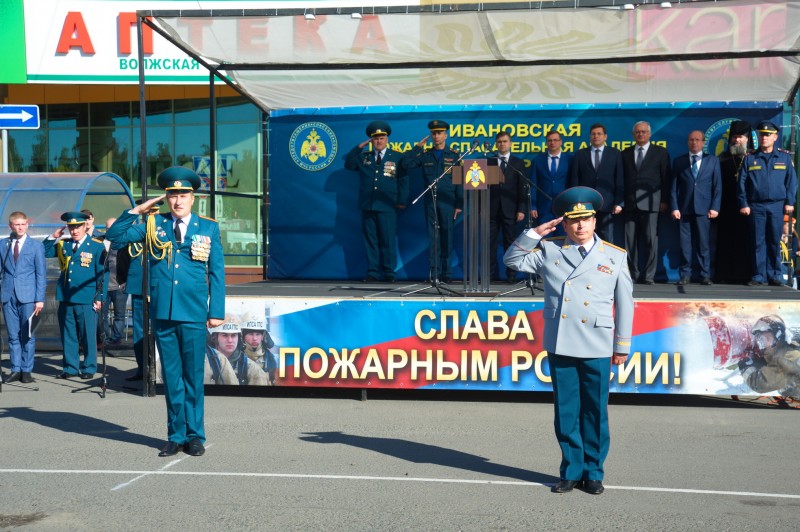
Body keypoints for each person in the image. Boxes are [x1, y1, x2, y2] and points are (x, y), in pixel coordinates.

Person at [504, 186, 634, 495]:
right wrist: (534, 233)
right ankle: (571, 470)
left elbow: (625, 303)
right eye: (573, 221)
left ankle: (594, 471)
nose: (580, 225)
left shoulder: (614, 256)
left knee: (595, 412)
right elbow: (512, 260)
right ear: (564, 224)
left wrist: (622, 345)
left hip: (597, 343)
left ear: (594, 221)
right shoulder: (550, 250)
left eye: (585, 219)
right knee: (566, 410)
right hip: (562, 341)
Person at [105, 167, 225, 458]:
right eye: (172, 195)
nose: (178, 200)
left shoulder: (207, 227)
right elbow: (115, 237)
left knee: (193, 376)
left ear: (193, 198)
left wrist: (216, 310)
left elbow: (216, 271)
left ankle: (195, 435)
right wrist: (138, 210)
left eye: (183, 195)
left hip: (193, 311)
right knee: (171, 377)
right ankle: (175, 435)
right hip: (163, 311)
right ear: (166, 198)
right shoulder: (153, 224)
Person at [43, 212, 107, 379]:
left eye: (77, 227)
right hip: (66, 296)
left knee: (88, 335)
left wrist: (100, 297)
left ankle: (89, 367)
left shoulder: (96, 246)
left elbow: (102, 274)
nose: (74, 231)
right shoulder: (64, 244)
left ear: (85, 226)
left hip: (86, 297)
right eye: (71, 227)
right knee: (68, 334)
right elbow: (44, 252)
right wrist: (52, 237)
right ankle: (70, 367)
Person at [344, 120, 409, 283]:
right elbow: (349, 165)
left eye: (382, 138)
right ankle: (373, 272)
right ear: (371, 140)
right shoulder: (364, 157)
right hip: (368, 204)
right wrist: (358, 147)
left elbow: (403, 180)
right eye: (375, 139)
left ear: (387, 139)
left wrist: (401, 200)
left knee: (388, 240)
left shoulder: (397, 157)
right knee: (370, 240)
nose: (379, 141)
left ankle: (389, 272)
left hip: (388, 205)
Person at [737, 120, 798, 287]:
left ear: (775, 137)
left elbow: (792, 182)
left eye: (768, 135)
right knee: (757, 242)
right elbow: (741, 184)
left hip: (777, 205)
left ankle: (774, 275)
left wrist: (790, 201)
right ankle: (758, 276)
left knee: (774, 241)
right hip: (756, 206)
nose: (764, 138)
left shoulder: (784, 157)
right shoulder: (750, 158)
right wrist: (744, 203)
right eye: (762, 135)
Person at [403, 119, 463, 283]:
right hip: (431, 201)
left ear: (446, 135)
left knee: (447, 236)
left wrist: (459, 204)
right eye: (434, 133)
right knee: (434, 237)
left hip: (448, 202)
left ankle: (447, 273)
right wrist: (417, 148)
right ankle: (435, 273)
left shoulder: (454, 156)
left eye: (439, 133)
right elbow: (405, 163)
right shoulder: (426, 155)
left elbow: (459, 181)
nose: (436, 136)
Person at [115, 200, 163, 381]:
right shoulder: (135, 232)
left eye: (154, 212)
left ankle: (160, 368)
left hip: (160, 287)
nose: (152, 216)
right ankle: (143, 368)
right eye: (148, 212)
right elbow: (122, 257)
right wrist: (122, 280)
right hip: (138, 287)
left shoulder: (164, 232)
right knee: (140, 330)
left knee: (161, 329)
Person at [670, 130, 722, 285]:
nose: (694, 142)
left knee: (703, 243)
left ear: (703, 142)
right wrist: (674, 207)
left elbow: (717, 187)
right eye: (691, 140)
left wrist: (715, 207)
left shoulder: (712, 161)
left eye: (697, 140)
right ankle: (685, 274)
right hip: (684, 209)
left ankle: (705, 274)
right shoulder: (679, 161)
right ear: (688, 142)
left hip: (704, 209)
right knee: (685, 244)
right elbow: (673, 188)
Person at [622, 121, 671, 284]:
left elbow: (666, 179)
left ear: (649, 134)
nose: (640, 134)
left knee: (651, 240)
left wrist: (664, 200)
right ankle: (632, 274)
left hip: (652, 204)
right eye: (637, 132)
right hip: (630, 204)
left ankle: (649, 275)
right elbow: (621, 180)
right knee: (630, 242)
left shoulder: (660, 152)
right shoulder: (625, 153)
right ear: (633, 134)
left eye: (643, 132)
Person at [0, 212, 46, 384]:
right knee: (13, 336)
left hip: (28, 297)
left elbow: (41, 274)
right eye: (17, 225)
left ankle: (26, 370)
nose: (20, 227)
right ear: (10, 226)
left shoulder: (36, 246)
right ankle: (15, 369)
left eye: (23, 224)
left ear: (27, 224)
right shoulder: (3, 244)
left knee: (27, 335)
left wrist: (39, 299)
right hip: (7, 296)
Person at [569, 123, 624, 245]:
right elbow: (575, 179)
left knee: (607, 237)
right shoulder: (580, 154)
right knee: (586, 236)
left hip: (608, 203)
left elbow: (619, 179)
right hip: (585, 204)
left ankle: (606, 258)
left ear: (605, 136)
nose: (596, 136)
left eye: (599, 134)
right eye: (593, 134)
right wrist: (576, 201)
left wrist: (618, 202)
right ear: (590, 137)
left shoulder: (615, 153)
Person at [714, 120, 754, 284]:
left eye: (741, 137)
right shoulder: (722, 158)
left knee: (747, 241)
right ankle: (724, 275)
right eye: (735, 137)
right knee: (725, 241)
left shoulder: (754, 158)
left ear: (747, 139)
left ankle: (745, 275)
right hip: (726, 206)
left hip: (748, 207)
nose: (737, 140)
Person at [738, 315, 799, 399]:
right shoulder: (785, 348)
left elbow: (759, 384)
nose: (763, 342)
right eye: (760, 339)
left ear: (778, 337)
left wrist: (746, 367)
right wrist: (761, 362)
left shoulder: (786, 358)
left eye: (767, 338)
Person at [207, 314, 268, 386]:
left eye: (233, 335)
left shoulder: (252, 369)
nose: (230, 340)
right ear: (215, 337)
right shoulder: (205, 363)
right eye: (225, 335)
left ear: (239, 338)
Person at [531, 130, 573, 233]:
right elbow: (533, 185)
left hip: (564, 207)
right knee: (545, 237)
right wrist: (533, 206)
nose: (552, 143)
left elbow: (573, 183)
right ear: (546, 142)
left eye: (555, 140)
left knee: (563, 238)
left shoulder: (570, 160)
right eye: (549, 140)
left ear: (561, 142)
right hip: (544, 208)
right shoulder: (537, 160)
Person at [100, 218, 127, 346]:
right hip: (103, 286)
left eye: (113, 227)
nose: (111, 230)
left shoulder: (125, 242)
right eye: (108, 228)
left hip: (120, 286)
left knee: (119, 315)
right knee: (102, 315)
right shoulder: (100, 242)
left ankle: (116, 339)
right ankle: (105, 339)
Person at [241, 311, 278, 384]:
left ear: (263, 336)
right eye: (250, 334)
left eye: (258, 334)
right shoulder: (236, 358)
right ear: (243, 335)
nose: (254, 338)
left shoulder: (272, 360)